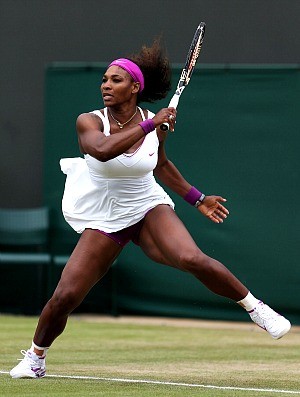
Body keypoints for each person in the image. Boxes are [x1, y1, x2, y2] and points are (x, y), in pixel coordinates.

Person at [10, 39, 291, 379]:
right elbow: (100, 151)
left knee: (191, 258)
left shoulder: (154, 125)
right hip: (104, 216)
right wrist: (148, 126)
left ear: (134, 87)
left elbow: (160, 165)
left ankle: (255, 308)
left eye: (115, 80)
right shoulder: (89, 121)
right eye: (103, 80)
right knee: (65, 295)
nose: (106, 86)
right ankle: (36, 357)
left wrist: (198, 199)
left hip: (147, 206)